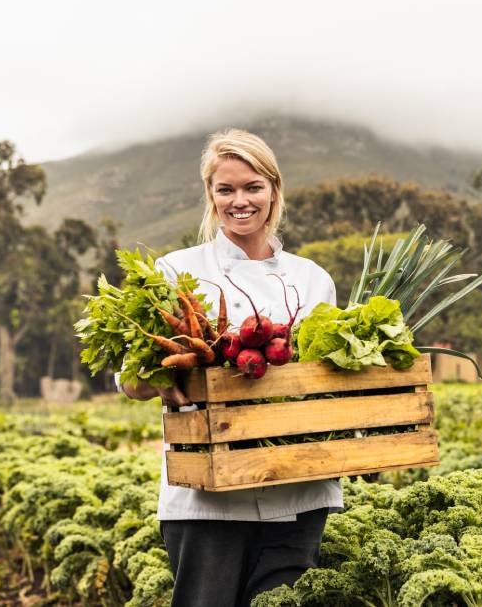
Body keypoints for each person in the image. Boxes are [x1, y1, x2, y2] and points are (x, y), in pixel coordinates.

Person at [120, 129, 340, 606]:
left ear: (274, 191)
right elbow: (129, 378)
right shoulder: (176, 271)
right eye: (226, 189)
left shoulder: (313, 278)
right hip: (206, 498)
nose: (240, 201)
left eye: (253, 187)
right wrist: (164, 381)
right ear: (211, 195)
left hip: (299, 490)